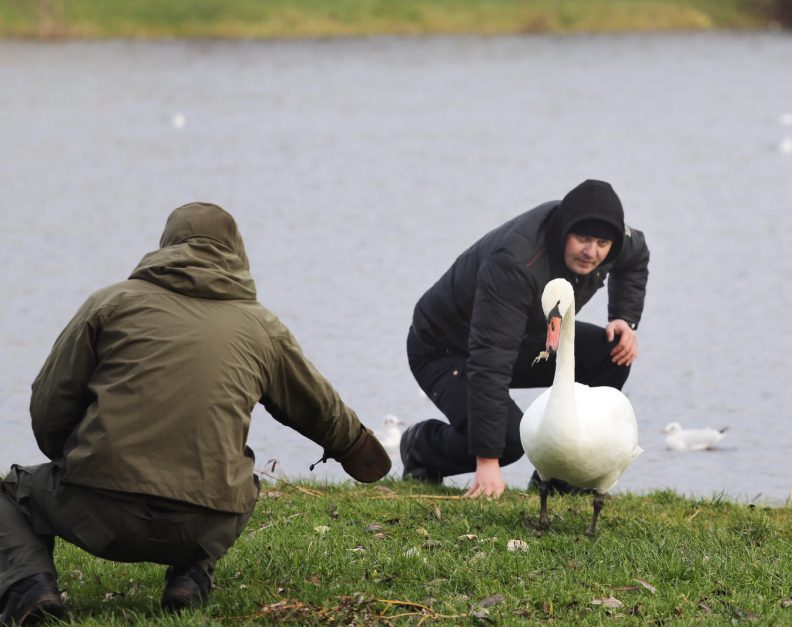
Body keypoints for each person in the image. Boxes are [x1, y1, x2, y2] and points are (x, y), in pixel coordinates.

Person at [0, 202, 390, 625]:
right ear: (237, 253)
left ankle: (31, 590)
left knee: (10, 493)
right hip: (202, 525)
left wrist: (72, 457)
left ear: (166, 246)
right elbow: (320, 408)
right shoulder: (262, 327)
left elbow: (49, 403)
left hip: (97, 516)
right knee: (242, 478)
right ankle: (191, 576)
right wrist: (359, 451)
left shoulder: (109, 304)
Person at [401, 179, 649, 499]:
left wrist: (623, 317)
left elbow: (636, 256)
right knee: (507, 441)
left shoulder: (612, 245)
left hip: (525, 336)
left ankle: (558, 481)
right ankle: (423, 448)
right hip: (445, 349)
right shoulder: (516, 264)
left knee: (611, 351)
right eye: (583, 239)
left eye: (602, 243)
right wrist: (488, 462)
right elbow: (490, 358)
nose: (592, 252)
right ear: (563, 231)